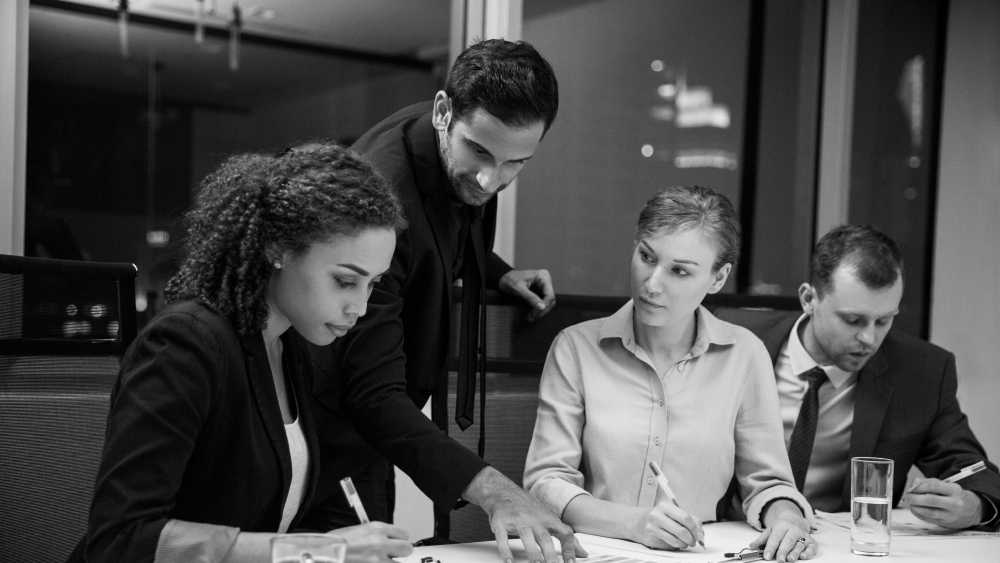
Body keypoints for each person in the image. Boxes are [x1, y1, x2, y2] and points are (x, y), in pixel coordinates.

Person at [303, 38, 584, 563]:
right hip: (322, 432)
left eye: (513, 163)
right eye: (478, 152)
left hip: (375, 426)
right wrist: (497, 492)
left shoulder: (465, 142)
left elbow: (450, 229)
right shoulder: (380, 201)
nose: (489, 179)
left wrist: (496, 272)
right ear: (441, 111)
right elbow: (370, 392)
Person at [72, 143, 414, 563]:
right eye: (345, 281)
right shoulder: (185, 343)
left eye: (373, 284)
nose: (359, 309)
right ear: (278, 249)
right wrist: (320, 550)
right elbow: (123, 539)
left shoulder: (289, 348)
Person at [524, 186, 818, 563]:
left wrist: (788, 519)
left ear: (717, 278)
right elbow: (547, 483)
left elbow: (769, 483)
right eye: (646, 257)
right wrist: (636, 524)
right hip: (594, 555)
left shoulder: (745, 356)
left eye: (679, 271)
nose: (652, 283)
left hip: (698, 556)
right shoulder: (576, 348)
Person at [716, 225, 1000, 530]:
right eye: (853, 320)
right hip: (732, 535)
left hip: (841, 547)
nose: (869, 338)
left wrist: (974, 507)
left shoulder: (922, 372)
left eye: (884, 320)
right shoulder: (731, 338)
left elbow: (973, 471)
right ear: (809, 298)